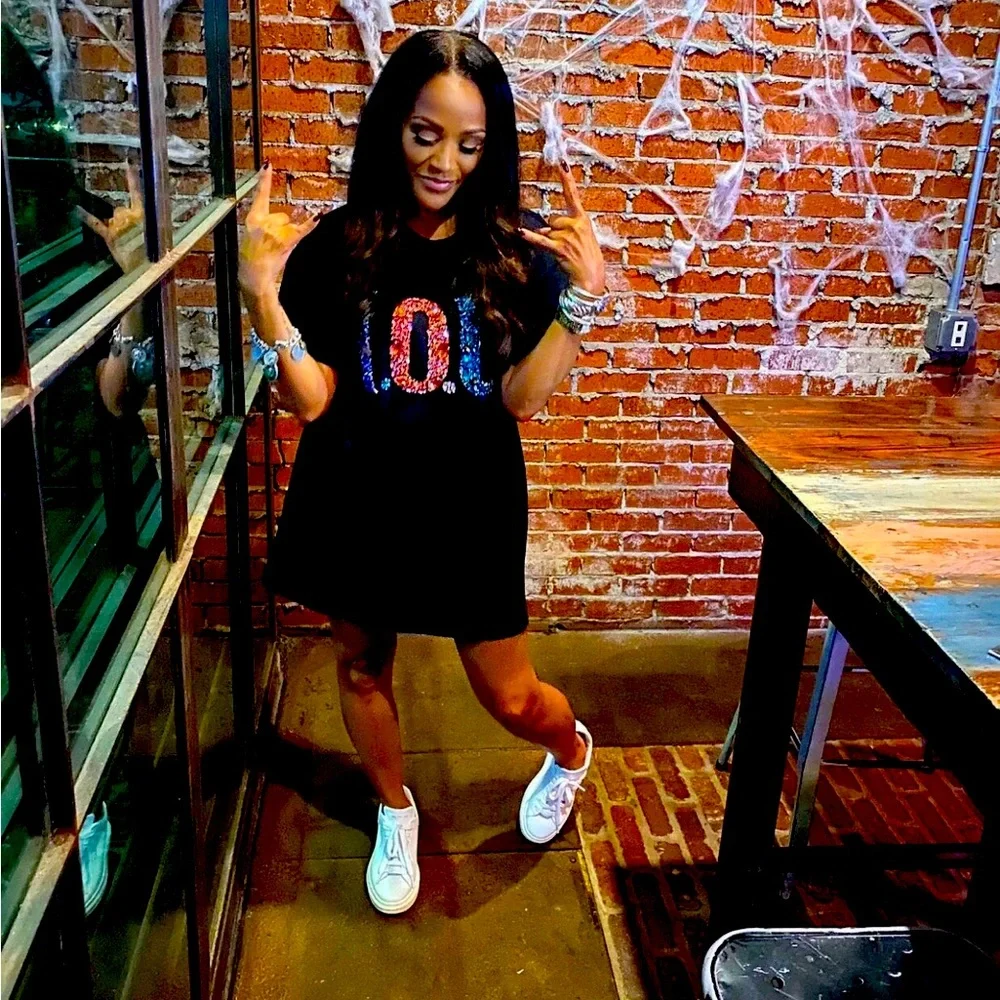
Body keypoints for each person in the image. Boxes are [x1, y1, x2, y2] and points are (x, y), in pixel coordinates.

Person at [237, 29, 608, 916]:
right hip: (356, 490)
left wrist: (581, 303)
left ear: (491, 147)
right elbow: (313, 400)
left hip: (469, 502)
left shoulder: (514, 253)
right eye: (424, 135)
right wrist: (262, 299)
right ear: (391, 129)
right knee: (363, 666)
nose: (445, 163)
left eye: (470, 144)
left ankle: (571, 751)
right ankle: (394, 809)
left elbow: (520, 399)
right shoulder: (340, 245)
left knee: (510, 695)